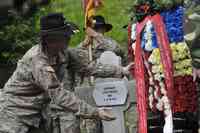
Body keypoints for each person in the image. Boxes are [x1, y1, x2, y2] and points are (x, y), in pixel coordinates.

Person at [0, 13, 117, 133]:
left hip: (36, 115)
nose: (69, 38)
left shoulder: (63, 52)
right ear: (51, 40)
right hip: (13, 115)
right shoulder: (37, 61)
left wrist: (120, 71)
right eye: (65, 36)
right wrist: (95, 112)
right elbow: (59, 95)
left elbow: (87, 67)